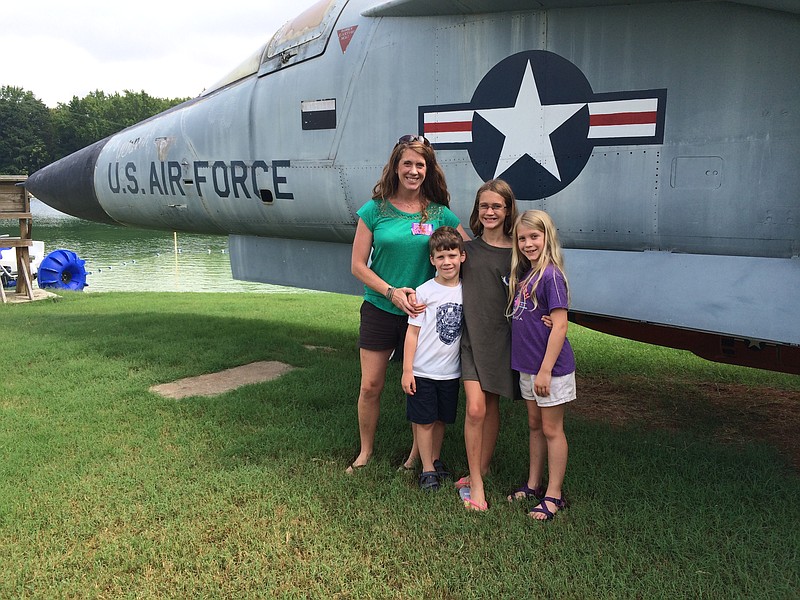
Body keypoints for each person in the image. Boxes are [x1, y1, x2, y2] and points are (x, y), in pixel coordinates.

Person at [347, 135, 469, 474]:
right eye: (408, 164)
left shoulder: (438, 212)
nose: (413, 171)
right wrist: (392, 292)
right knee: (371, 385)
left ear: (427, 170)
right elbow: (358, 265)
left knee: (420, 384)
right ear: (396, 167)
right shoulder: (375, 210)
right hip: (381, 307)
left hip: (423, 315)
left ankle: (417, 457)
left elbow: (467, 251)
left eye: (420, 165)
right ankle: (365, 452)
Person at [506, 210, 576, 520]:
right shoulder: (526, 275)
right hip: (528, 366)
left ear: (547, 237)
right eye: (522, 238)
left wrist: (546, 369)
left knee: (551, 429)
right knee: (534, 425)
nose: (528, 243)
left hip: (550, 368)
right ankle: (533, 484)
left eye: (534, 236)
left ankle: (554, 494)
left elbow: (560, 326)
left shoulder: (551, 275)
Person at [456, 179, 519, 511]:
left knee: (491, 407)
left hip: (501, 339)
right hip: (470, 338)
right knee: (475, 408)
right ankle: (476, 484)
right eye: (484, 206)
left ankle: (482, 466)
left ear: (507, 210)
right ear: (477, 211)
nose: (490, 211)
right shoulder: (467, 250)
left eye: (497, 206)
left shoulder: (519, 252)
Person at [401, 226, 465, 491]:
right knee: (424, 420)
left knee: (440, 419)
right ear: (432, 260)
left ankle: (435, 459)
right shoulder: (424, 292)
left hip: (450, 371)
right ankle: (426, 469)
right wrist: (407, 370)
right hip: (423, 370)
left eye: (452, 255)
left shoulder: (466, 290)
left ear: (462, 256)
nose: (446, 262)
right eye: (440, 257)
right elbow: (412, 334)